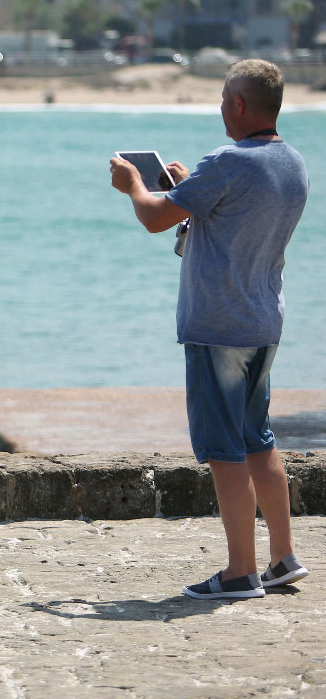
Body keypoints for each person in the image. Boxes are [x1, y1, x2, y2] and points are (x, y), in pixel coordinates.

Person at [110, 59, 310, 600]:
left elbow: (155, 218)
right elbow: (230, 215)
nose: (220, 107)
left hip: (218, 324)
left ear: (240, 105)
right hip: (263, 319)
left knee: (224, 450)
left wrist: (133, 184)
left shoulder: (226, 160)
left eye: (224, 98)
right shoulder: (292, 163)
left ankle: (240, 572)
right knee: (257, 440)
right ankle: (282, 558)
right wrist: (186, 188)